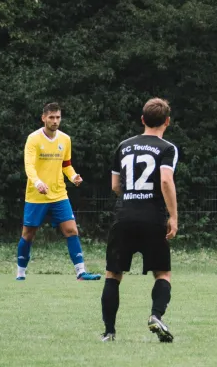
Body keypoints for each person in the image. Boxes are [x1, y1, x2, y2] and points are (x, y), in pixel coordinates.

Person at [101, 98, 179, 343]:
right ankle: (156, 316)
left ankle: (110, 332)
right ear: (167, 121)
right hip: (152, 217)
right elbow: (166, 181)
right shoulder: (167, 148)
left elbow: (115, 185)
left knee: (113, 274)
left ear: (142, 120)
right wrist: (173, 216)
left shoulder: (123, 146)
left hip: (124, 216)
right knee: (163, 273)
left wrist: (130, 198)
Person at [16, 102, 101, 281]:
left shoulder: (65, 139)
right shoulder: (33, 139)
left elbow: (66, 165)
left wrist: (73, 176)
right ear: (44, 118)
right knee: (28, 234)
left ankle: (81, 272)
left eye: (58, 117)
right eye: (51, 117)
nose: (55, 121)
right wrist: (38, 182)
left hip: (59, 194)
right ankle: (20, 273)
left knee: (71, 230)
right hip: (36, 195)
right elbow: (29, 166)